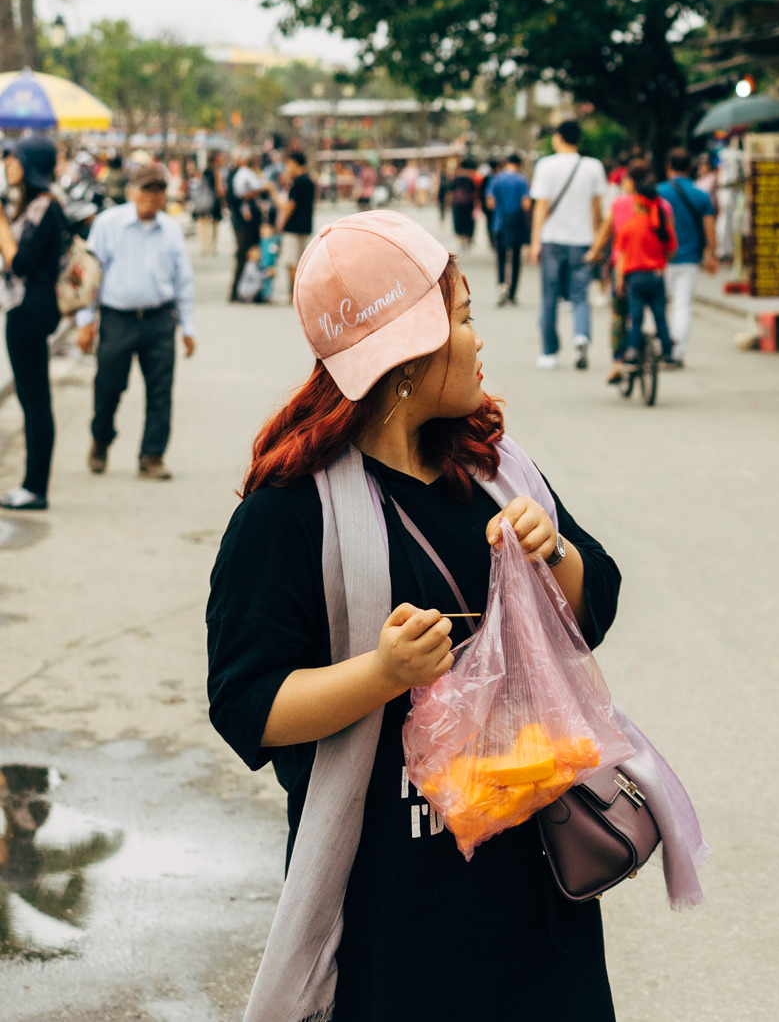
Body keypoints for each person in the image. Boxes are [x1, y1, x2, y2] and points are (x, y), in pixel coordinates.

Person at [204, 211, 648, 1022]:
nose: (479, 340)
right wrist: (381, 674)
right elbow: (245, 703)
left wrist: (555, 555)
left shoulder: (494, 469)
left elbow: (597, 606)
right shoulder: (288, 514)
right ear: (409, 351)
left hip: (538, 896)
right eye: (465, 317)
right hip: (394, 918)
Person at [76, 161, 197, 482]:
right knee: (108, 386)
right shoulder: (107, 224)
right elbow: (89, 275)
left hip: (159, 319)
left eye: (159, 190)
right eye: (147, 189)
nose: (153, 197)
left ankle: (152, 455)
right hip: (117, 319)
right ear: (132, 191)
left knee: (160, 390)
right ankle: (101, 438)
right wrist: (85, 321)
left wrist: (188, 327)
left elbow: (183, 279)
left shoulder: (171, 230)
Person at [0, 139, 69, 509]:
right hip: (25, 310)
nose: (7, 162)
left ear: (29, 165)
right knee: (33, 400)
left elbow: (21, 262)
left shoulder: (45, 207)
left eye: (13, 157)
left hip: (29, 311)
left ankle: (35, 487)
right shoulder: (32, 206)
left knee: (35, 402)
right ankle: (32, 484)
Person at [527, 121, 608, 371]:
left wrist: (535, 241)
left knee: (550, 296)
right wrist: (596, 238)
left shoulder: (546, 165)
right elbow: (597, 207)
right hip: (582, 240)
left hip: (552, 240)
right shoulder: (593, 166)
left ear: (559, 138)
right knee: (580, 295)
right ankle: (581, 337)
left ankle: (549, 352)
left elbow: (541, 206)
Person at [590, 163, 676, 383]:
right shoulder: (663, 206)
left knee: (623, 317)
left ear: (629, 182)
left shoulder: (619, 205)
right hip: (656, 273)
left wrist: (594, 253)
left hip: (628, 273)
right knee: (659, 315)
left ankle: (621, 360)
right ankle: (667, 350)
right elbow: (670, 245)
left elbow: (606, 233)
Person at [654, 149, 717, 369]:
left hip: (661, 259)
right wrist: (711, 254)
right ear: (690, 168)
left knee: (659, 305)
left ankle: (662, 347)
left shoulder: (658, 192)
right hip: (690, 259)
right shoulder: (701, 195)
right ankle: (677, 353)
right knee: (683, 307)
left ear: (668, 167)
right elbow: (710, 229)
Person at [486, 153, 530, 306]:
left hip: (499, 223)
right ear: (520, 165)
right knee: (516, 258)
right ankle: (512, 293)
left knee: (501, 257)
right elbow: (526, 204)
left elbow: (490, 202)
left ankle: (502, 286)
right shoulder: (522, 180)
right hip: (517, 224)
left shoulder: (496, 179)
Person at [274, 151, 316, 301]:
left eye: (288, 164)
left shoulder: (297, 182)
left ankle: (294, 295)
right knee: (302, 262)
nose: (287, 167)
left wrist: (281, 224)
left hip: (292, 228)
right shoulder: (310, 181)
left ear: (295, 163)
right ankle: (301, 294)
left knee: (291, 261)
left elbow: (289, 206)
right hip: (305, 226)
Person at [229, 153, 267, 303]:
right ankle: (238, 291)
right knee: (243, 257)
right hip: (244, 226)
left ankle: (250, 291)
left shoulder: (241, 174)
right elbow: (240, 195)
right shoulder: (242, 175)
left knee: (249, 258)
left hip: (247, 224)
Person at [448, 157, 480, 253]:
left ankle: (461, 241)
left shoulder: (455, 177)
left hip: (457, 204)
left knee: (459, 222)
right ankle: (467, 240)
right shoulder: (471, 179)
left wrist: (450, 202)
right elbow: (474, 193)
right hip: (469, 204)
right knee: (468, 222)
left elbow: (451, 191)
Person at [191, 160, 221, 257]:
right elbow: (219, 189)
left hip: (203, 203)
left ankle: (205, 246)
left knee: (203, 224)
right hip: (213, 201)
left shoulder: (203, 175)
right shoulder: (216, 174)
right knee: (212, 225)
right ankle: (212, 246)